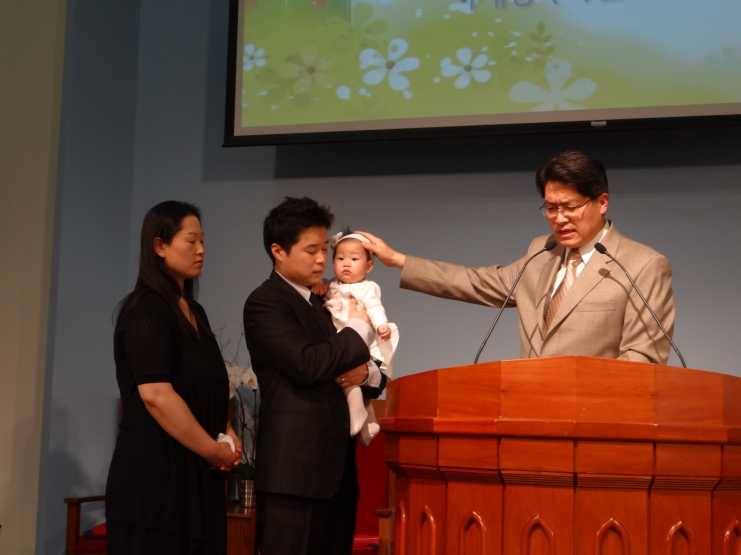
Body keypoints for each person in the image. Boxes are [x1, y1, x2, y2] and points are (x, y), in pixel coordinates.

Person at [359, 151, 676, 364]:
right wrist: (398, 260)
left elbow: (643, 357)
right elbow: (476, 282)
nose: (559, 218)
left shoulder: (642, 265)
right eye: (551, 208)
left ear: (602, 202)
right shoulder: (541, 252)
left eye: (570, 207)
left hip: (594, 421)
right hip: (527, 413)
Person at [243, 197, 380, 555]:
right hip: (294, 475)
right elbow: (307, 364)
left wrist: (367, 371)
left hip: (338, 475)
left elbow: (369, 369)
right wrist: (357, 329)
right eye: (310, 250)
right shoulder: (265, 302)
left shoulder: (325, 301)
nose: (321, 259)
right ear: (278, 251)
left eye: (323, 249)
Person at [106, 201, 241, 555]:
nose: (201, 250)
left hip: (197, 478)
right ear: (159, 246)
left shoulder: (195, 311)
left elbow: (207, 385)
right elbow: (156, 395)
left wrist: (226, 431)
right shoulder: (145, 309)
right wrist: (211, 449)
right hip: (155, 482)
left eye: (203, 241)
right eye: (191, 241)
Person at [319, 230, 398, 446]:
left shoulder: (367, 287)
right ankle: (369, 423)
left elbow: (374, 307)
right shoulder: (332, 284)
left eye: (354, 259)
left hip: (358, 337)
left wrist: (381, 324)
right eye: (340, 258)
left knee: (348, 372)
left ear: (369, 266)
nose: (346, 263)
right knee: (345, 372)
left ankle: (359, 414)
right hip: (340, 335)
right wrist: (319, 287)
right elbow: (323, 292)